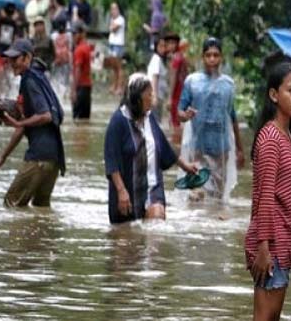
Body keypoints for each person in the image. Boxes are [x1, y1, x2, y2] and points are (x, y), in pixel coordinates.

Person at [244, 62, 291, 321]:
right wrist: (263, 247)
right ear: (273, 95)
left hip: (281, 239)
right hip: (271, 243)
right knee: (266, 316)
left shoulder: (287, 136)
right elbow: (265, 197)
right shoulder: (271, 138)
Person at [103, 73, 199, 223]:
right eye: (149, 94)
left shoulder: (149, 118)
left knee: (156, 225)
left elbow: (164, 146)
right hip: (127, 191)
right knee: (125, 240)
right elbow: (111, 161)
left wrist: (186, 166)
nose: (152, 98)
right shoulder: (118, 122)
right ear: (137, 98)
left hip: (153, 187)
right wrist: (121, 191)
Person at [0, 39, 66, 207]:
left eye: (15, 59)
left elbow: (46, 116)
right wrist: (2, 158)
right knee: (41, 210)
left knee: (10, 204)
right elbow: (23, 125)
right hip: (53, 159)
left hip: (38, 158)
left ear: (27, 58)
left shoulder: (29, 81)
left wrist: (18, 123)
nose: (11, 63)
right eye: (9, 59)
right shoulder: (39, 76)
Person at [178, 37, 245, 201]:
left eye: (216, 55)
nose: (212, 59)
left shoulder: (228, 85)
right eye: (208, 55)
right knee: (196, 194)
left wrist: (240, 149)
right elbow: (179, 110)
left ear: (221, 57)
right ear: (203, 57)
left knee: (217, 197)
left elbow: (232, 117)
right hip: (198, 148)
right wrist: (185, 115)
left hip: (221, 150)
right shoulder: (192, 81)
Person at [0, 3, 20, 97]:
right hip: (1, 51)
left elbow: (16, 37)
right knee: (0, 72)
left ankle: (5, 93)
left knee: (6, 73)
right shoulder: (1, 20)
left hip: (9, 52)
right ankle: (0, 93)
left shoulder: (14, 23)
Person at [71, 22, 93, 119]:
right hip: (87, 88)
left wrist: (74, 90)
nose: (73, 37)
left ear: (80, 34)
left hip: (81, 88)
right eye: (72, 34)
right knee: (85, 119)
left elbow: (78, 70)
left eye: (75, 34)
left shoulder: (79, 50)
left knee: (77, 120)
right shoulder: (87, 47)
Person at [169, 38, 189, 143]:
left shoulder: (177, 58)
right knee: (179, 120)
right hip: (183, 93)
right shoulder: (184, 59)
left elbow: (174, 78)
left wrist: (169, 96)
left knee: (175, 121)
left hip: (177, 93)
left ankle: (176, 146)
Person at [147, 34, 170, 122]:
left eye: (165, 46)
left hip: (160, 96)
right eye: (161, 46)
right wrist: (154, 96)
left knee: (157, 120)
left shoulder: (161, 60)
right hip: (155, 95)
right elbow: (154, 78)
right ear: (156, 47)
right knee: (155, 121)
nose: (163, 48)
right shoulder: (156, 59)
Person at [107, 2, 126, 95]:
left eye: (115, 9)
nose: (113, 11)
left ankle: (120, 87)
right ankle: (114, 85)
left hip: (118, 44)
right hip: (112, 43)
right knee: (113, 67)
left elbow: (113, 29)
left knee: (119, 67)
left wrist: (111, 26)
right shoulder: (112, 19)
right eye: (112, 9)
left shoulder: (120, 19)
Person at [51, 19, 72, 99]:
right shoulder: (55, 36)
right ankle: (60, 93)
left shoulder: (56, 36)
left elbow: (69, 47)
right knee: (59, 78)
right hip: (59, 60)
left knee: (63, 78)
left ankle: (62, 93)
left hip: (63, 60)